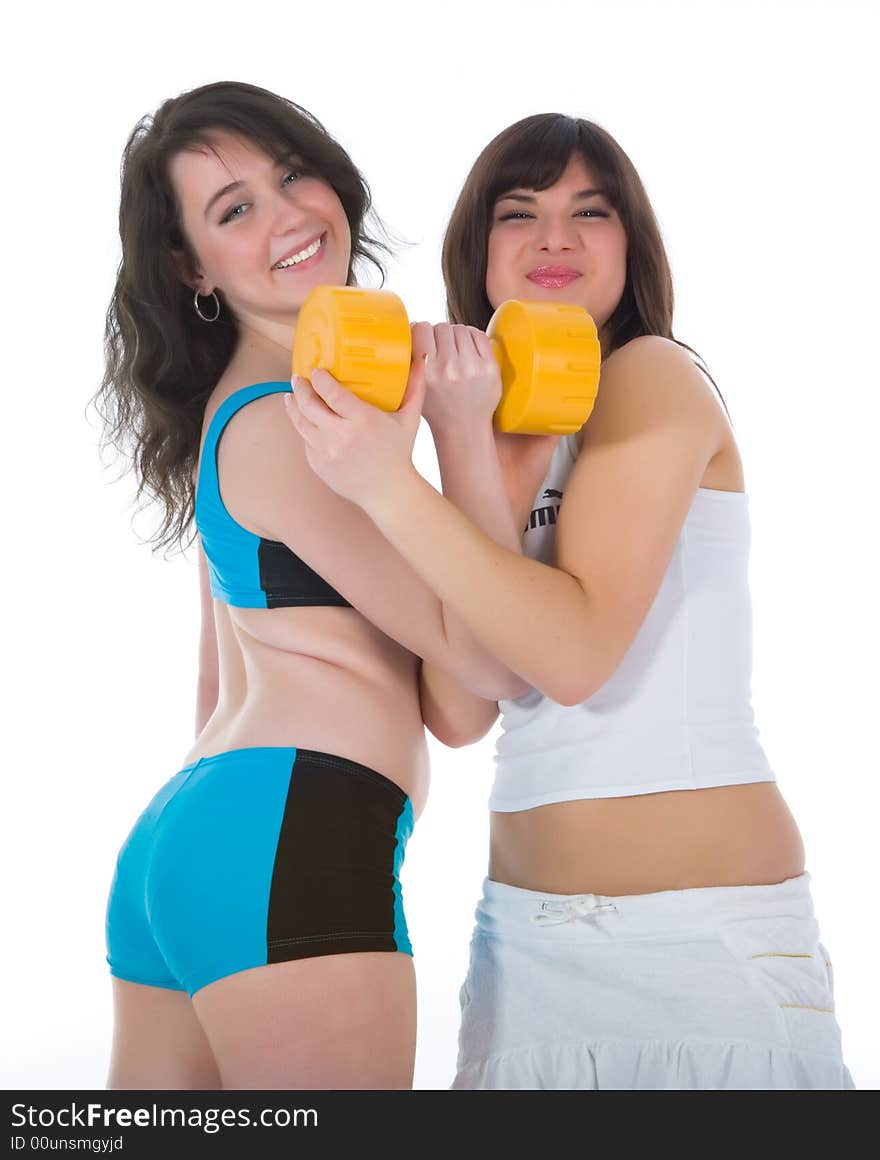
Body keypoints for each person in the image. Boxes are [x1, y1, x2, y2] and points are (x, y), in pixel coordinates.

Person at [284, 113, 854, 1090]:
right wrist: (464, 444)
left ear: (629, 253)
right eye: (521, 212)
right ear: (479, 252)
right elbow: (463, 707)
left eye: (590, 213)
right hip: (525, 952)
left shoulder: (651, 375)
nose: (555, 236)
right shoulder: (505, 424)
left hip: (696, 941)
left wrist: (385, 486)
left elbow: (578, 655)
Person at [96, 80, 524, 1091]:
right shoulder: (291, 430)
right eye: (234, 209)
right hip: (293, 833)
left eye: (291, 173)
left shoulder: (247, 418)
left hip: (191, 840)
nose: (287, 214)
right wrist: (463, 432)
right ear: (189, 266)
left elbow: (456, 707)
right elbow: (497, 653)